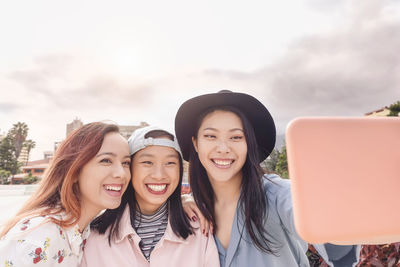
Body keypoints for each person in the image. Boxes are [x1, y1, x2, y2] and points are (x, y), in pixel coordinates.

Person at [175, 90, 360, 267]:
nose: (223, 147)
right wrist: (177, 203)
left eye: (236, 137)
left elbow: (323, 225)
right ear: (195, 143)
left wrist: (335, 208)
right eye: (211, 136)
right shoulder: (193, 210)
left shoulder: (276, 194)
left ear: (249, 144)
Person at [81, 126, 219, 267]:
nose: (159, 175)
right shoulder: (92, 237)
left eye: (170, 163)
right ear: (129, 168)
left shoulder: (201, 229)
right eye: (147, 162)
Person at [0, 122, 131, 266]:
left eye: (126, 163)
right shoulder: (39, 237)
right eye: (106, 161)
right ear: (73, 172)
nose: (121, 173)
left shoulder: (83, 233)